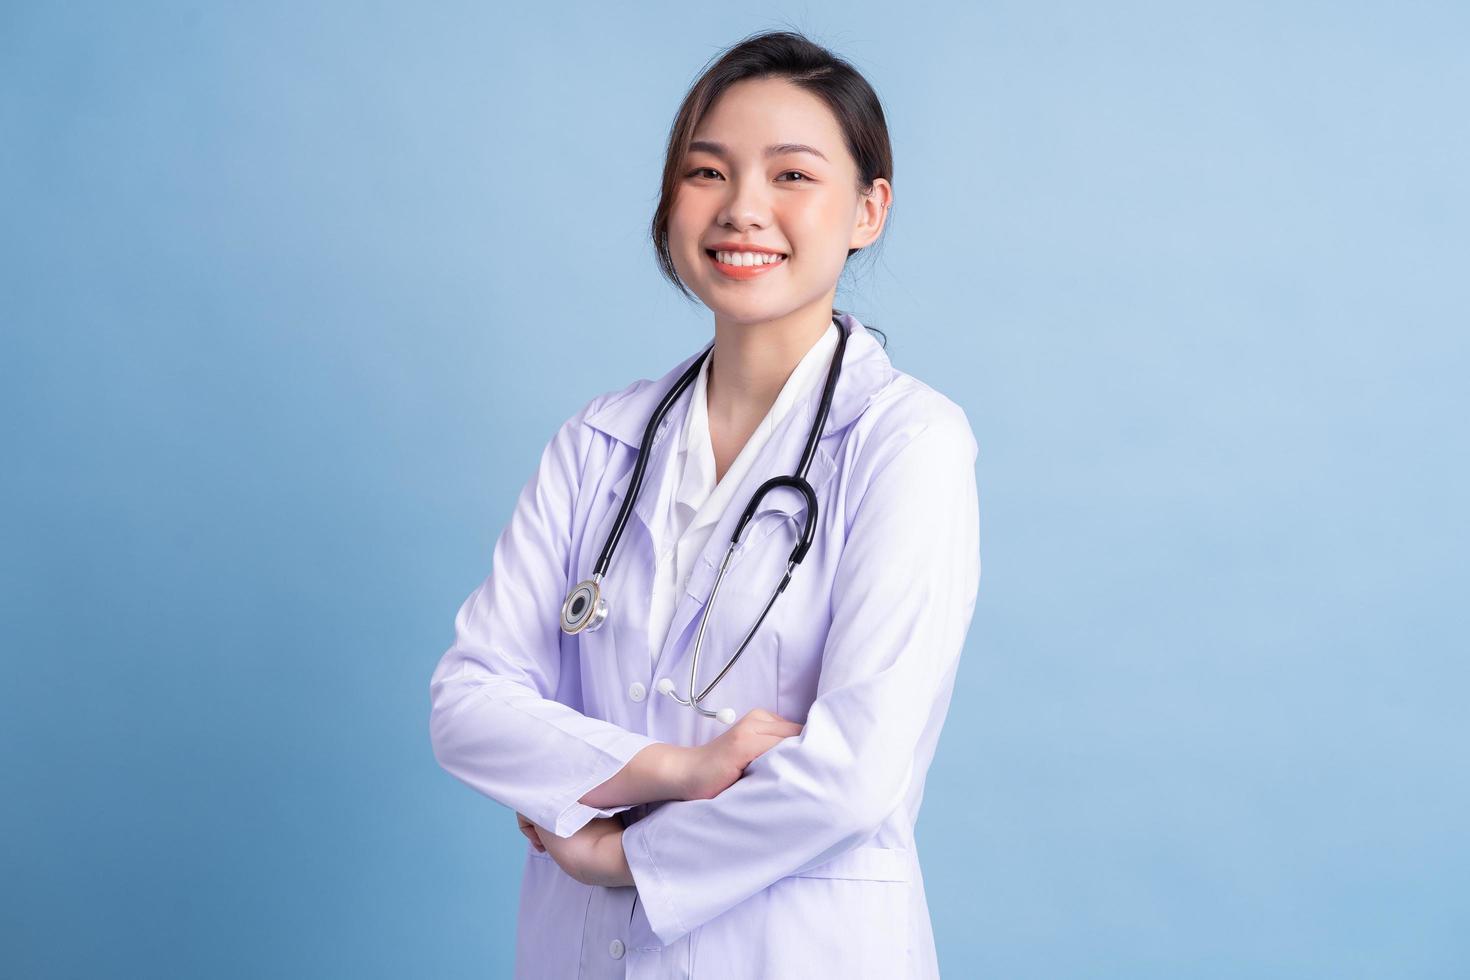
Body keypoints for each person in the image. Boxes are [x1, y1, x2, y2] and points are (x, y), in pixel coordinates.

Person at [429, 29, 981, 979]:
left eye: (793, 176)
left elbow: (853, 772)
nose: (743, 210)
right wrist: (673, 769)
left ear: (868, 209)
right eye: (707, 171)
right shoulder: (599, 443)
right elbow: (469, 705)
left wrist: (627, 855)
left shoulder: (907, 442)